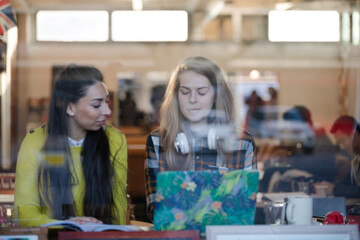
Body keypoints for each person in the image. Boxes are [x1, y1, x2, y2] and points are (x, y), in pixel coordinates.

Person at [144, 56, 257, 221]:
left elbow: (245, 210)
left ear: (217, 96)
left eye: (202, 92)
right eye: (185, 91)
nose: (192, 99)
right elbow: (155, 210)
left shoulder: (243, 143)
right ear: (176, 96)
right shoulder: (157, 141)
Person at [14, 64, 128, 226]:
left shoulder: (115, 140)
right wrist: (70, 225)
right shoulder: (36, 141)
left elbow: (118, 209)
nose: (107, 112)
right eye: (97, 105)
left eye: (106, 102)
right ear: (70, 107)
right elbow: (25, 211)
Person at [314, 115, 360, 197]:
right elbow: (347, 183)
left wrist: (334, 189)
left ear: (354, 134)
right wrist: (327, 186)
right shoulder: (355, 158)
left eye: (342, 141)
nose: (341, 147)